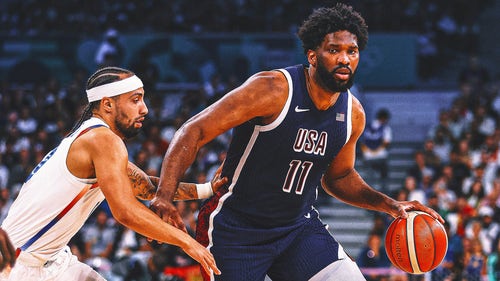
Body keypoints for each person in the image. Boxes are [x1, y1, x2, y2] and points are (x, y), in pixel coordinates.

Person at [151, 4, 443, 281]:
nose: (344, 59)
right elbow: (194, 130)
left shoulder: (353, 113)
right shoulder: (271, 90)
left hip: (297, 229)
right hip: (237, 230)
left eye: (352, 51)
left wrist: (389, 205)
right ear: (313, 56)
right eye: (334, 50)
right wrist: (164, 195)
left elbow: (339, 177)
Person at [0, 66, 221, 280]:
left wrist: (208, 189)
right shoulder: (102, 140)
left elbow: (148, 188)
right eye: (135, 100)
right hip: (17, 265)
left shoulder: (94, 138)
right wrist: (187, 241)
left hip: (51, 260)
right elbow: (124, 211)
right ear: (107, 104)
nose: (144, 109)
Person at [360, 108, 392, 191]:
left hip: (368, 156)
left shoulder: (366, 126)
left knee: (370, 175)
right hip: (379, 156)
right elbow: (386, 142)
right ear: (384, 119)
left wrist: (368, 152)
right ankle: (383, 190)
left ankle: (369, 191)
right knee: (383, 174)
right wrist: (376, 151)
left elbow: (361, 142)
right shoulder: (385, 128)